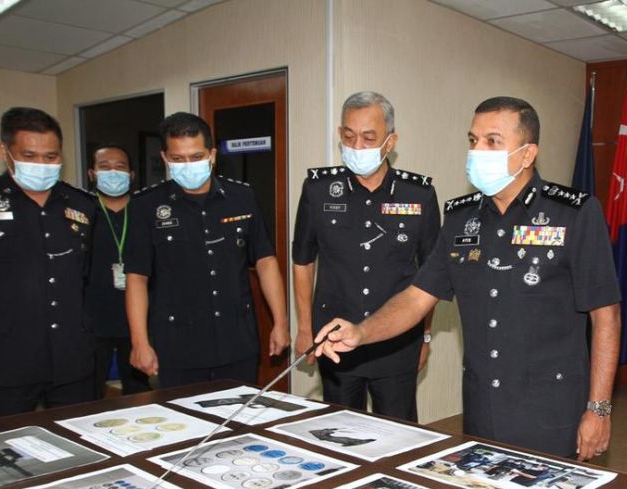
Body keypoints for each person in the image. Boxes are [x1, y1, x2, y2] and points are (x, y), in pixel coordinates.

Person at [315, 97, 620, 460]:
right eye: (473, 140)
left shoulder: (573, 213)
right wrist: (361, 332)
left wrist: (599, 408)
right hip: (481, 406)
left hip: (550, 407)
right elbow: (416, 297)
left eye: (492, 141)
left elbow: (606, 316)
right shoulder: (461, 219)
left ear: (527, 154)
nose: (477, 151)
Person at [292, 91, 440, 421]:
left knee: (399, 433)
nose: (357, 146)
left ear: (390, 141)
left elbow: (430, 278)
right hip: (336, 338)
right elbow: (303, 260)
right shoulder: (318, 189)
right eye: (349, 136)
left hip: (398, 341)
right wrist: (304, 328)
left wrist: (425, 336)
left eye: (369, 138)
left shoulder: (418, 195)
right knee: (339, 431)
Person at [124, 112, 289, 388]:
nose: (188, 165)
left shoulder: (242, 197)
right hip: (178, 346)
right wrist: (139, 342)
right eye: (178, 159)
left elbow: (265, 261)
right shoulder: (146, 206)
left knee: (239, 412)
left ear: (212, 155)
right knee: (181, 415)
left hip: (237, 341)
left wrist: (280, 323)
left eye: (196, 156)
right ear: (165, 158)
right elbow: (136, 278)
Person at [0, 107, 96, 419]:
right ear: (5, 151)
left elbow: (86, 278)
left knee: (80, 441)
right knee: (2, 445)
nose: (41, 165)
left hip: (71, 360)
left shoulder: (82, 205)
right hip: (2, 362)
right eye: (29, 156)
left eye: (51, 156)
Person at [85, 144, 151, 398]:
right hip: (93, 319)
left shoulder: (145, 210)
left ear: (131, 175)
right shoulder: (82, 210)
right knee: (88, 395)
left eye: (120, 167)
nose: (113, 172)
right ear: (92, 173)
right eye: (105, 167)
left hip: (139, 320)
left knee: (140, 394)